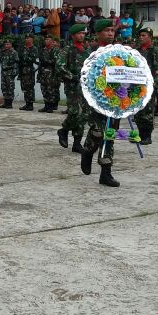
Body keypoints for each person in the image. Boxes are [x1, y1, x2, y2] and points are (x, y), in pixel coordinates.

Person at [79, 19, 122, 188]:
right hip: (95, 99)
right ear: (97, 34)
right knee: (97, 132)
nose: (110, 33)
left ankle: (106, 172)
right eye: (106, 31)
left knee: (109, 134)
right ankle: (88, 151)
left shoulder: (120, 53)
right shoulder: (90, 53)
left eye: (112, 30)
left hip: (115, 100)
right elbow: (83, 76)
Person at [56, 24, 89, 152]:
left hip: (85, 87)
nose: (82, 35)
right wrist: (72, 76)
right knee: (75, 112)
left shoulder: (86, 51)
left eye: (83, 33)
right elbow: (60, 66)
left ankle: (76, 143)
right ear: (73, 35)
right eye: (79, 33)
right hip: (72, 87)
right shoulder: (67, 50)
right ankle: (64, 130)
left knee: (83, 115)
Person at [133, 27, 158, 145]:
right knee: (139, 110)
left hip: (149, 84)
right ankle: (140, 135)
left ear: (150, 37)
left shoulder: (154, 50)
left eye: (144, 35)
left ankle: (147, 136)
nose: (141, 37)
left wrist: (155, 84)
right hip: (137, 84)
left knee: (148, 111)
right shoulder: (137, 50)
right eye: (140, 35)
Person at [37, 33, 60, 112]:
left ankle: (51, 106)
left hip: (51, 73)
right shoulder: (43, 50)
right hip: (43, 73)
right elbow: (40, 61)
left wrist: (47, 62)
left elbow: (56, 61)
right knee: (44, 89)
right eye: (45, 39)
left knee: (51, 90)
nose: (46, 41)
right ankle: (46, 105)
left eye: (48, 39)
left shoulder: (55, 49)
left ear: (52, 41)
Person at [0, 37, 19, 109]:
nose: (6, 45)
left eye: (8, 44)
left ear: (11, 45)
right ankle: (5, 102)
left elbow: (16, 63)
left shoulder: (14, 52)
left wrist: (13, 72)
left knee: (10, 88)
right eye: (5, 44)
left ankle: (9, 103)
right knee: (4, 87)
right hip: (3, 73)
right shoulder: (2, 52)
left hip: (10, 73)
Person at [18, 34, 39, 110]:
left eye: (29, 38)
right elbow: (19, 58)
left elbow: (35, 60)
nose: (27, 39)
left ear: (32, 39)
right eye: (26, 38)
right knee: (24, 87)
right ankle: (27, 103)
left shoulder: (34, 49)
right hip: (22, 70)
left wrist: (26, 57)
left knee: (30, 88)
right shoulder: (22, 48)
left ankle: (30, 104)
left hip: (29, 70)